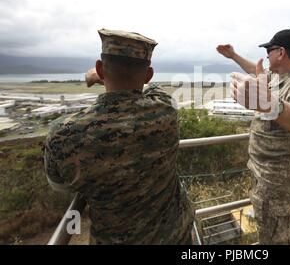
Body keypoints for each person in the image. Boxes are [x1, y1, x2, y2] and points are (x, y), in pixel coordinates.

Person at [44, 29, 194, 244]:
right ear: (148, 74)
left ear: (100, 68)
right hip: (176, 237)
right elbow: (155, 90)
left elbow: (60, 184)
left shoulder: (63, 133)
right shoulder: (166, 110)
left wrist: (98, 76)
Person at [216, 29, 290, 244]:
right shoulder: (279, 76)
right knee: (268, 232)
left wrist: (270, 105)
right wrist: (233, 56)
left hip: (276, 177)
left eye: (269, 50)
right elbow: (257, 72)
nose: (267, 55)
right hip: (263, 171)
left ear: (280, 52)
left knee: (275, 237)